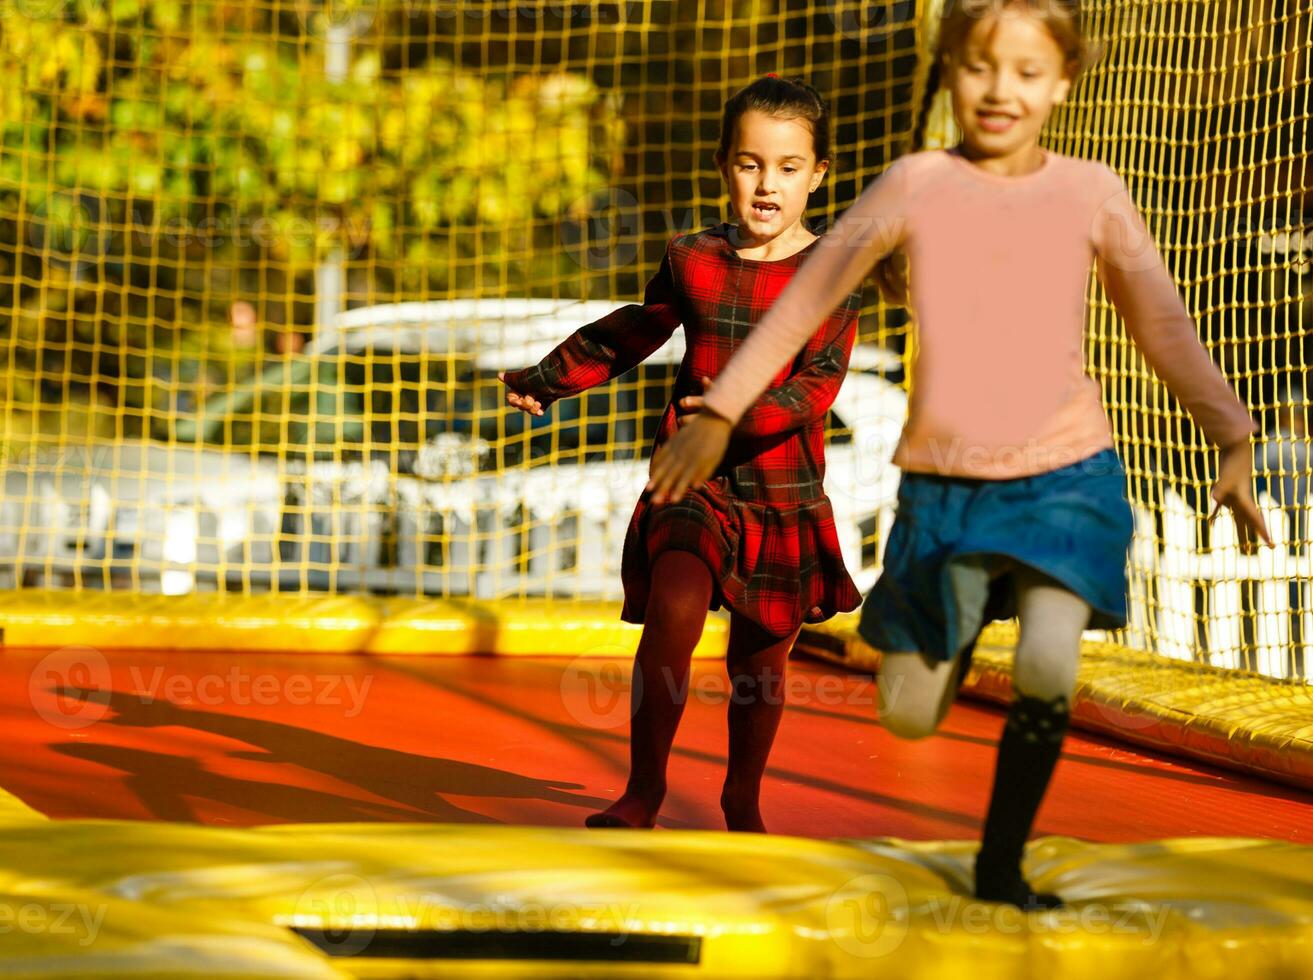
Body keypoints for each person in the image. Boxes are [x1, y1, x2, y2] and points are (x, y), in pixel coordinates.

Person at [646, 1, 1272, 904]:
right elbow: (798, 303)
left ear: (1061, 83)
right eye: (979, 68)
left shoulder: (1092, 191)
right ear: (949, 73)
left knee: (1052, 663)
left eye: (1026, 72)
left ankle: (1001, 863)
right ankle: (964, 611)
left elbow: (1162, 326)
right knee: (908, 709)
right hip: (948, 492)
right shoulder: (912, 187)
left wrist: (1235, 436)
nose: (1001, 90)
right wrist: (718, 414)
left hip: (1068, 475)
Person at [499, 76, 862, 832]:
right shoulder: (694, 257)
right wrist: (548, 379)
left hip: (780, 490)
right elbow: (634, 329)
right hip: (692, 481)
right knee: (672, 612)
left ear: (819, 174)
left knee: (758, 665)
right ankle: (643, 790)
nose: (767, 184)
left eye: (789, 168)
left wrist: (732, 419)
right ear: (725, 166)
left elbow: (815, 388)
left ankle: (741, 797)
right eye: (750, 164)